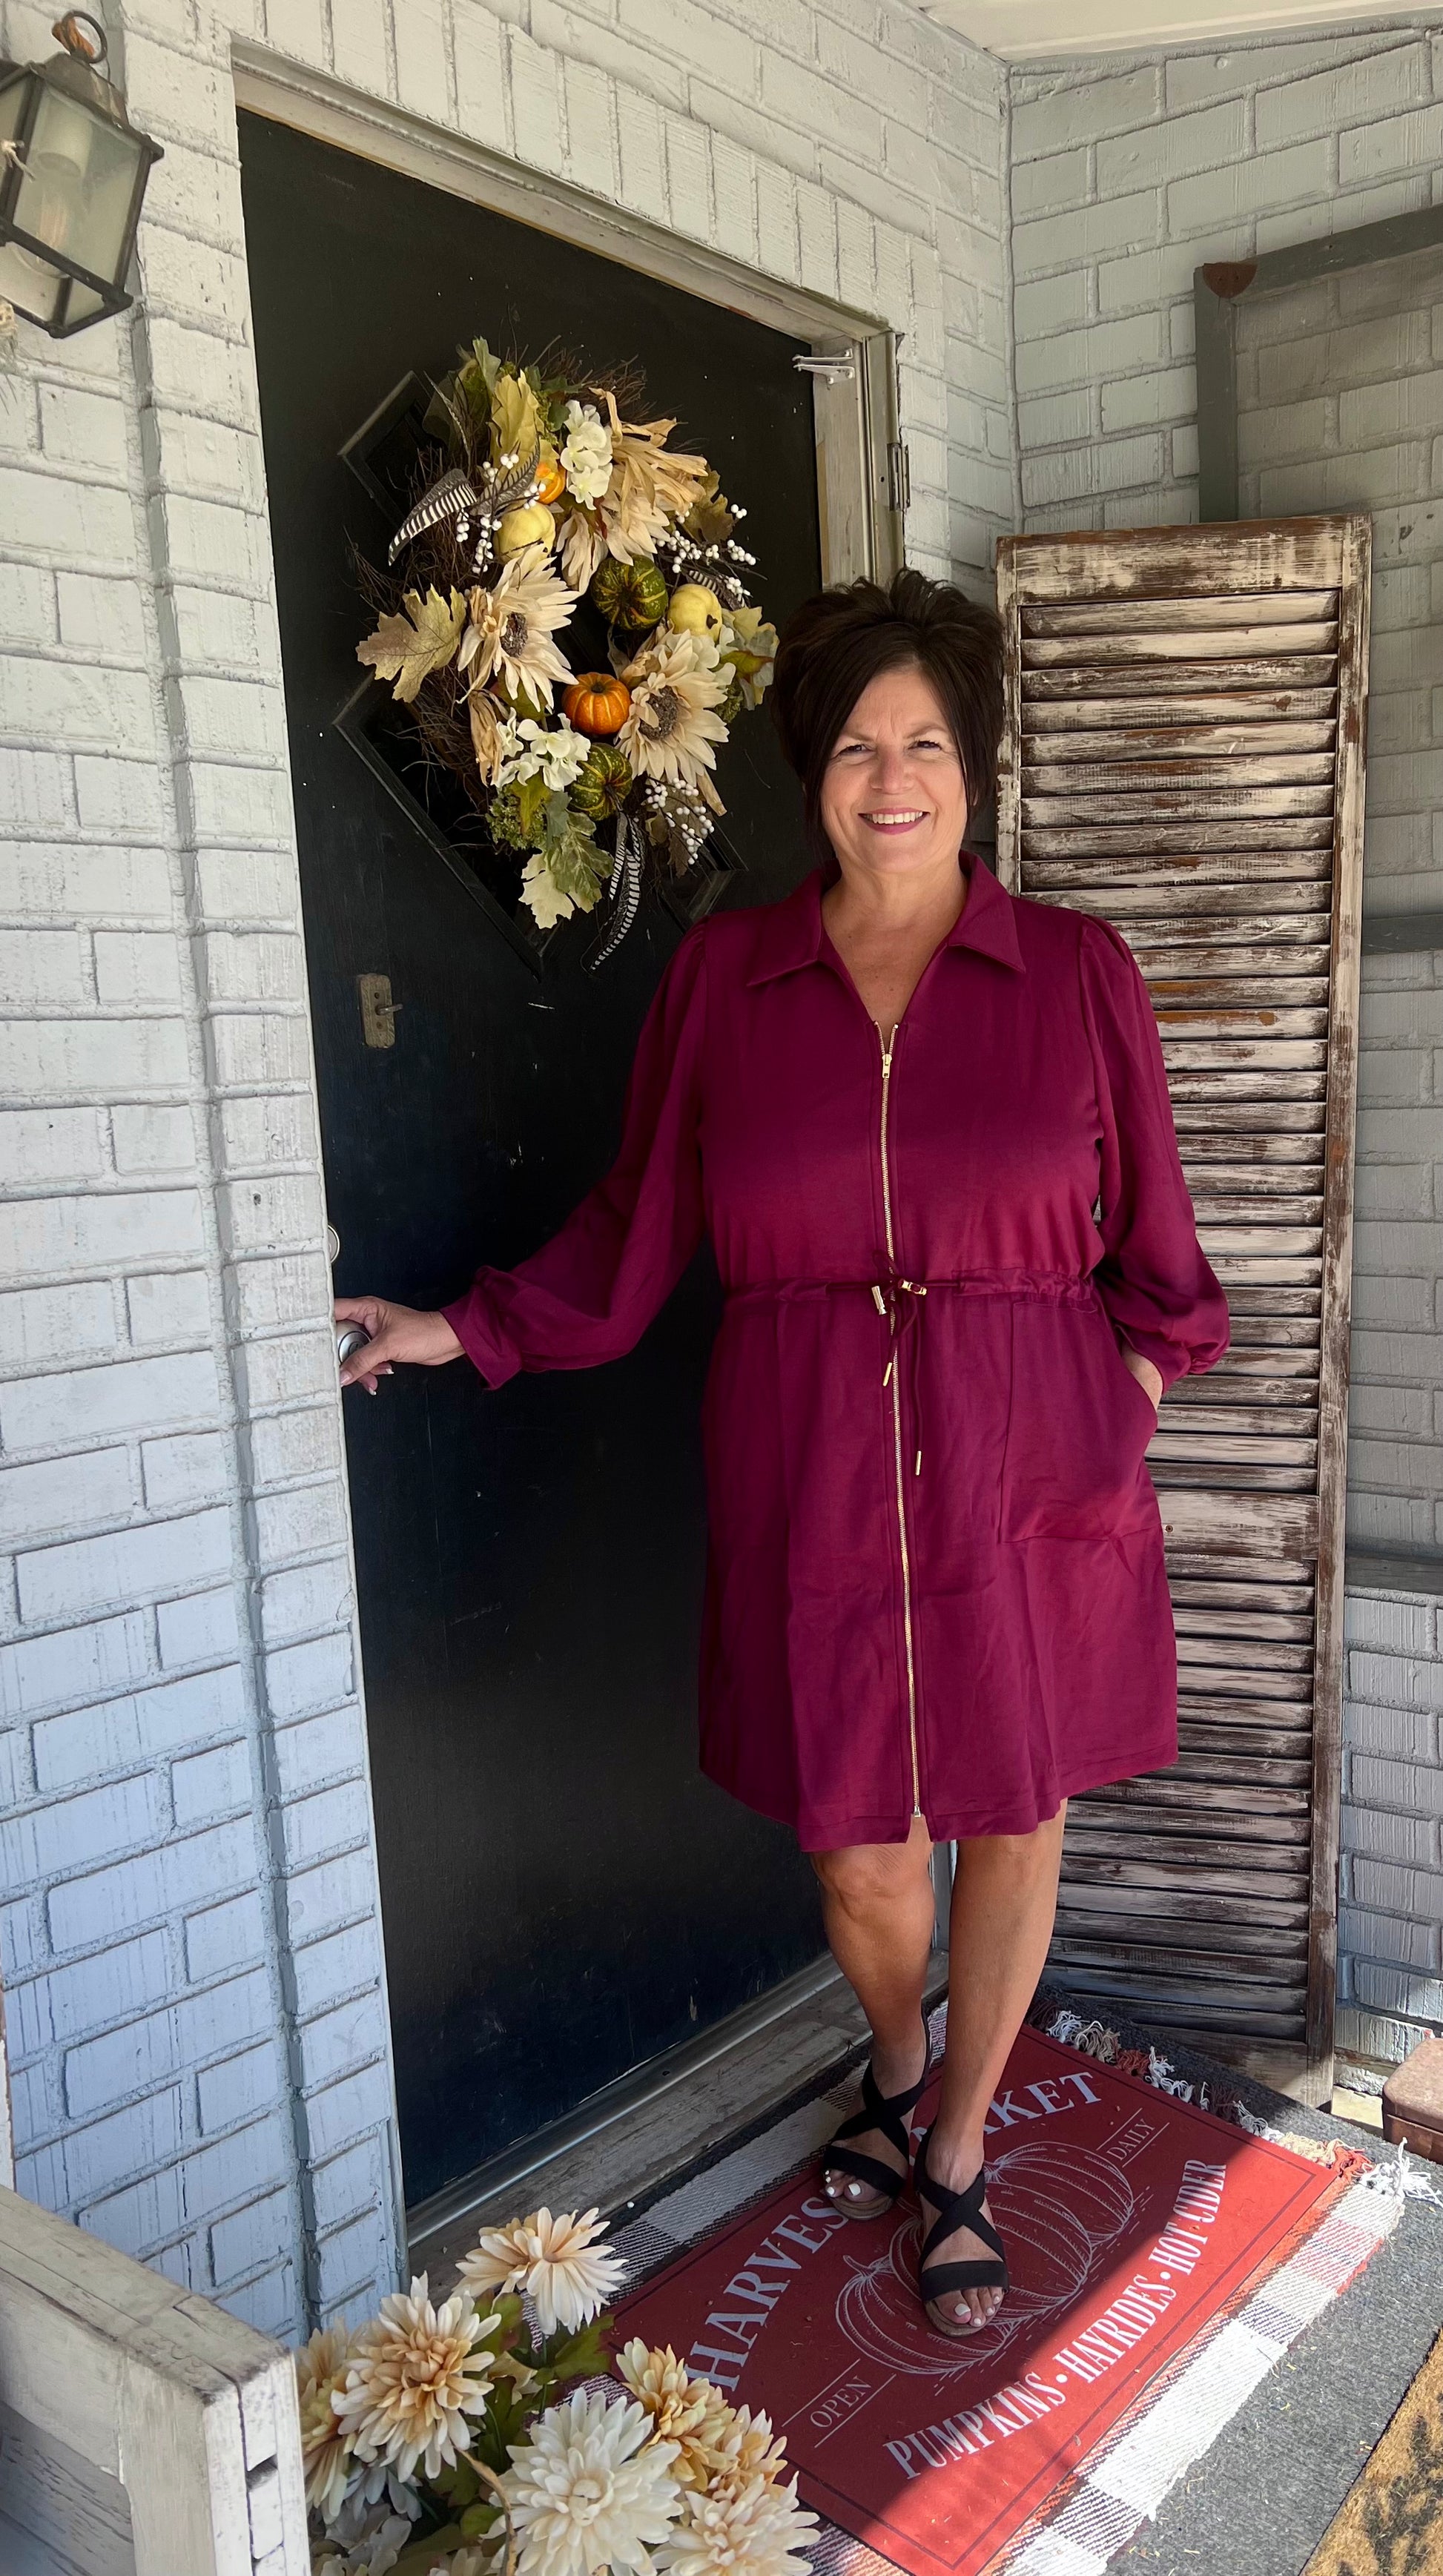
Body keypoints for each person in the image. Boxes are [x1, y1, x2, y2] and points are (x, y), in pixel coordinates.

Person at [334, 568, 1229, 2339]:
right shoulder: (725, 981)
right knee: (860, 1851)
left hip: (1026, 1465)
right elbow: (634, 1223)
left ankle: (956, 2144)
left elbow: (1162, 1260)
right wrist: (466, 1327)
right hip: (809, 1464)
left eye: (925, 744)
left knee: (1014, 1816)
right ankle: (897, 2057)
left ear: (973, 769)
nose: (891, 780)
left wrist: (1113, 1406)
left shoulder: (1075, 974)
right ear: (811, 776)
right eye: (854, 748)